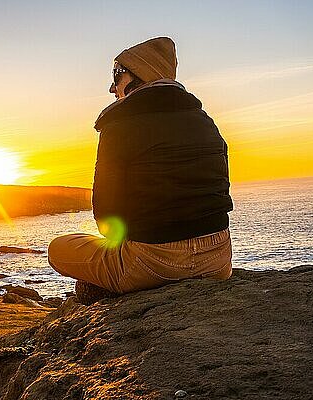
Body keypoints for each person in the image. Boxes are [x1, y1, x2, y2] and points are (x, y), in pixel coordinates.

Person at [47, 37, 233, 304]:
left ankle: (119, 285)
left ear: (142, 75)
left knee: (58, 249)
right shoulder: (206, 121)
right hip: (217, 261)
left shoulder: (119, 126)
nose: (112, 87)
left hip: (152, 265)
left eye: (117, 74)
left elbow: (106, 219)